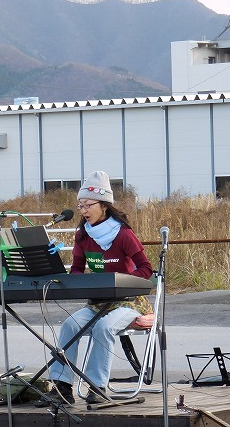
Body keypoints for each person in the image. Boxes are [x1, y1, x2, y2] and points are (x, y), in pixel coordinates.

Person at [35, 171, 153, 406]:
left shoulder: (123, 234)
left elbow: (146, 269)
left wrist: (122, 283)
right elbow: (77, 270)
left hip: (128, 302)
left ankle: (97, 386)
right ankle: (62, 388)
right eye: (80, 206)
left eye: (88, 205)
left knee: (104, 326)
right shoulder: (82, 235)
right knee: (69, 326)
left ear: (104, 206)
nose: (84, 211)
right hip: (98, 301)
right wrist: (75, 281)